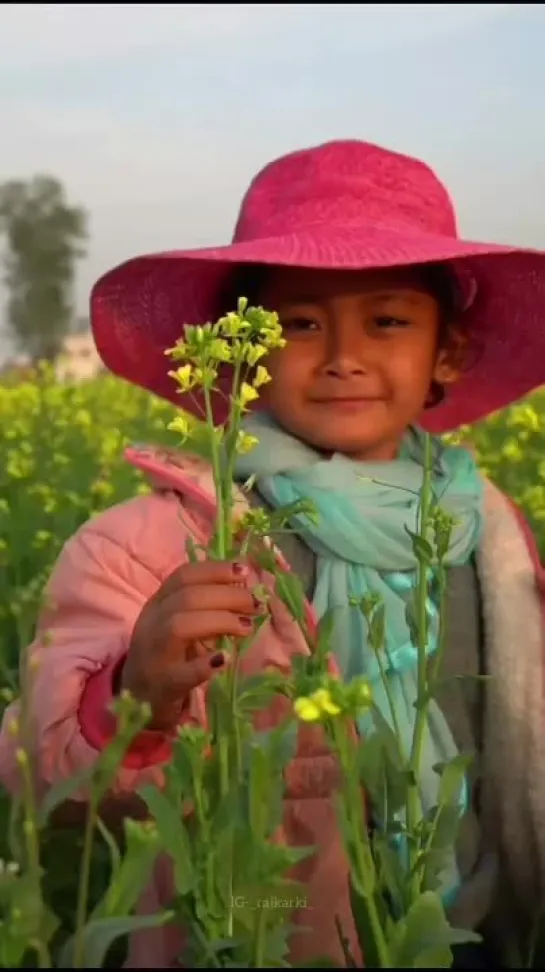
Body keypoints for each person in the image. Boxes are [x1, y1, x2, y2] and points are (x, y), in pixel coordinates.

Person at [2, 138, 545, 969]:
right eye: (296, 324)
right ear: (242, 352)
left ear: (447, 352)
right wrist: (134, 696)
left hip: (482, 926)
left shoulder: (493, 530)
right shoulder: (149, 545)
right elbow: (44, 786)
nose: (342, 356)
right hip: (264, 927)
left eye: (388, 319)